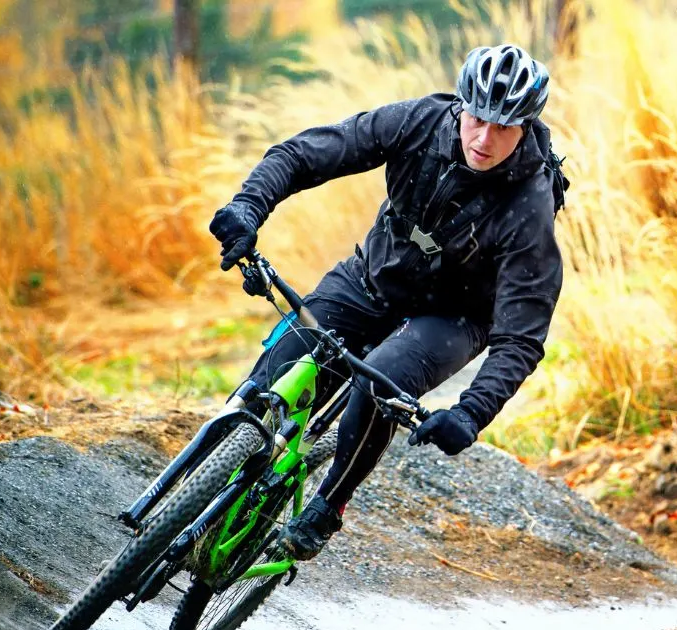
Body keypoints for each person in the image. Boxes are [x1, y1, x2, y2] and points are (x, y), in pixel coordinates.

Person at [208, 44, 568, 561]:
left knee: (381, 378)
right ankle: (218, 471)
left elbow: (522, 335)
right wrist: (247, 206)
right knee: (278, 371)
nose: (484, 139)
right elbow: (304, 155)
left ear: (527, 126)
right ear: (460, 106)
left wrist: (471, 412)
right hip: (372, 278)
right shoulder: (419, 122)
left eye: (505, 128)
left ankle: (329, 503)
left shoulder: (530, 205)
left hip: (453, 317)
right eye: (477, 119)